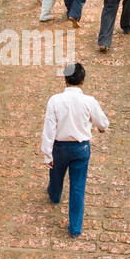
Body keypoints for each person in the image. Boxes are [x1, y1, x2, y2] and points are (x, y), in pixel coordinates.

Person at [41, 61, 109, 238]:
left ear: (65, 80)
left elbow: (49, 128)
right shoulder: (89, 101)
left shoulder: (55, 100)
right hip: (81, 148)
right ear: (82, 81)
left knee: (56, 174)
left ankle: (55, 195)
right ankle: (75, 227)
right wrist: (101, 127)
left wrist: (47, 153)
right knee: (78, 187)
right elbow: (102, 122)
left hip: (60, 146)